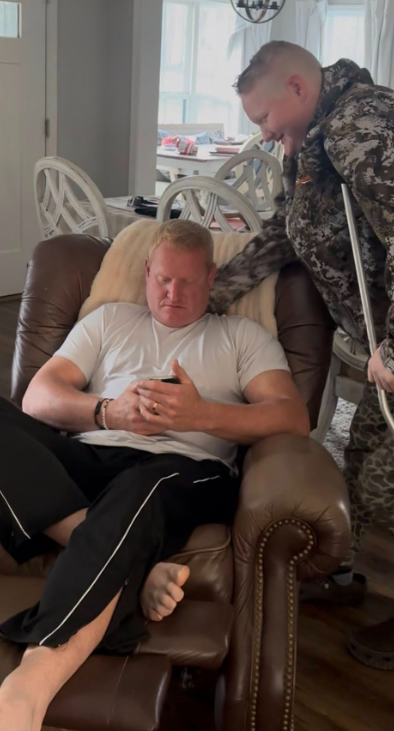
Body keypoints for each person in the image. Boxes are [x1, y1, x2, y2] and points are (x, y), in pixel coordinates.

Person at [0, 219, 309, 730]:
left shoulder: (242, 337)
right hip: (94, 457)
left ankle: (28, 689)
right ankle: (132, 563)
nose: (172, 294)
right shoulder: (109, 320)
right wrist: (107, 413)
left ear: (211, 277)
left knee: (141, 488)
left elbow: (292, 417)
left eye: (188, 281)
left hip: (184, 469)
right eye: (163, 279)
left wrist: (201, 415)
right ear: (146, 271)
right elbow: (38, 397)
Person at [208, 40, 394, 667]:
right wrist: (215, 293)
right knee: (363, 459)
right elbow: (286, 231)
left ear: (296, 87)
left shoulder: (358, 126)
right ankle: (339, 575)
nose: (262, 133)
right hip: (378, 346)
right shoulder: (309, 141)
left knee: (385, 477)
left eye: (264, 118)